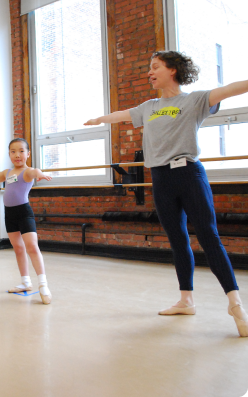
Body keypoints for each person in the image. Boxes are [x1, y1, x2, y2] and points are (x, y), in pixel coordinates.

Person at [84, 50, 248, 337]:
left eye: (155, 67)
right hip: (159, 178)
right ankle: (186, 300)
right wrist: (99, 118)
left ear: (173, 70)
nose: (149, 72)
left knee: (208, 237)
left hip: (188, 174)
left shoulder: (194, 100)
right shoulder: (149, 106)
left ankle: (235, 302)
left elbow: (231, 89)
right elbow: (123, 115)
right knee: (177, 239)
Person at [0, 138, 53, 304]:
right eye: (13, 151)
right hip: (9, 213)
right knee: (18, 249)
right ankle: (25, 282)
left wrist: (41, 174)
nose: (17, 155)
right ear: (9, 154)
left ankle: (43, 284)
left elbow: (36, 171)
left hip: (23, 212)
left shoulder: (27, 172)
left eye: (21, 151)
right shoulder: (7, 173)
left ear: (28, 154)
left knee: (32, 247)